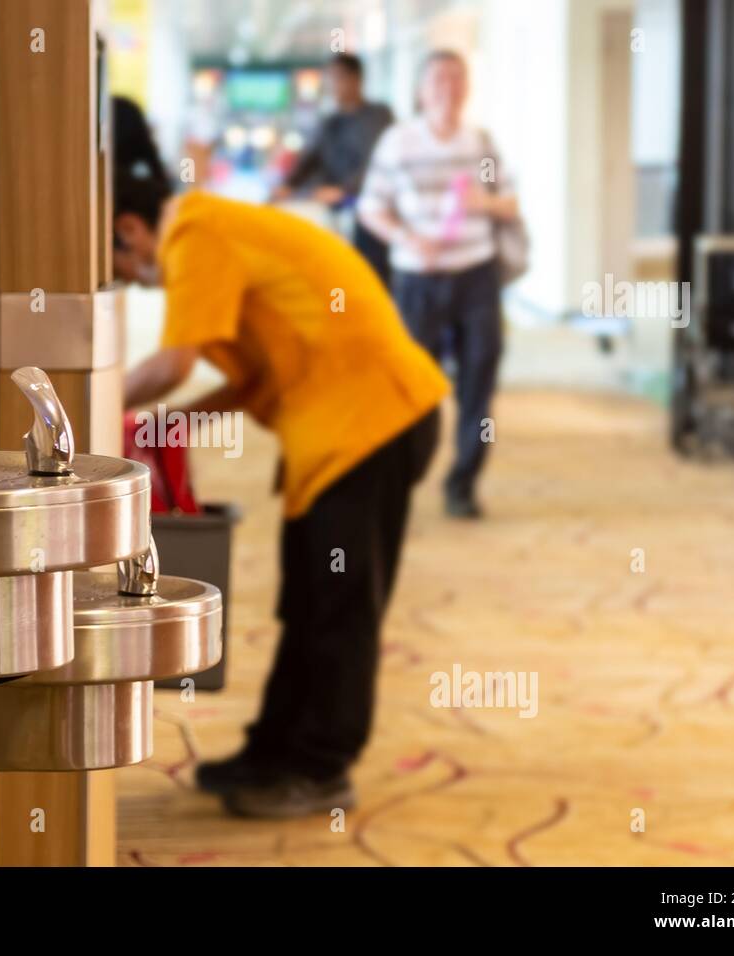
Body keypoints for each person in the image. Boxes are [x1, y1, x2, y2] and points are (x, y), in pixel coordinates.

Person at [115, 162, 449, 819]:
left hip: (372, 423)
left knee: (339, 607)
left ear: (129, 228)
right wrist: (160, 427)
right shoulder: (215, 229)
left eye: (115, 265)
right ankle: (272, 752)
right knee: (308, 598)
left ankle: (322, 770)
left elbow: (171, 364)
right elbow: (247, 380)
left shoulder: (194, 233)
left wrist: (86, 406)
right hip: (339, 430)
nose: (127, 279)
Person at [358, 50, 520, 519]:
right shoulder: (399, 142)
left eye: (456, 78)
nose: (447, 87)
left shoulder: (480, 143)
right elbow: (371, 208)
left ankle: (463, 483)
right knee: (411, 384)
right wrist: (407, 236)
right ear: (421, 90)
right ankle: (401, 476)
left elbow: (510, 203)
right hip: (417, 279)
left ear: (466, 87)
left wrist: (482, 202)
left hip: (476, 275)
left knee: (479, 380)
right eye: (437, 79)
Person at [273, 53, 394, 287]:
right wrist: (287, 186)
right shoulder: (330, 121)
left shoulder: (379, 116)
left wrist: (344, 191)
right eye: (329, 80)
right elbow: (309, 158)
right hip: (334, 209)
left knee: (367, 275)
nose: (332, 86)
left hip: (369, 209)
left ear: (356, 79)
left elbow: (377, 164)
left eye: (338, 79)